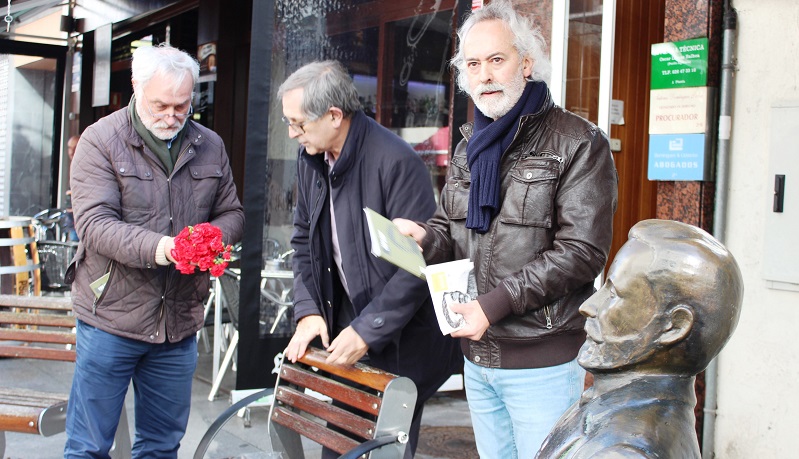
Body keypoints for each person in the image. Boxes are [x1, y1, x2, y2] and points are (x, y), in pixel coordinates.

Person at [393, 1, 618, 456]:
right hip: (477, 356)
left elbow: (581, 252)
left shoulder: (578, 141)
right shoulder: (468, 146)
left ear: (527, 63)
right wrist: (424, 238)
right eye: (473, 64)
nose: (485, 75)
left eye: (497, 59)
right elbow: (450, 230)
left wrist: (493, 306)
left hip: (544, 360)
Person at [64, 43, 244, 458]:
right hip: (110, 318)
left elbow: (232, 213)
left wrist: (210, 239)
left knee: (162, 447)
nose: (172, 116)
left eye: (182, 106)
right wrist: (168, 248)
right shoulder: (100, 140)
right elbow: (94, 225)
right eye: (161, 104)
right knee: (88, 447)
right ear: (135, 86)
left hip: (177, 323)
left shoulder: (209, 144)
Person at [279, 60, 461, 458]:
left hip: (402, 337)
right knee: (340, 445)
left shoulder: (396, 161)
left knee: (382, 450)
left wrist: (368, 330)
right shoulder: (311, 157)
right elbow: (303, 242)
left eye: (299, 123)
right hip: (351, 322)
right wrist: (309, 310)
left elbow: (417, 265)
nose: (293, 134)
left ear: (333, 115)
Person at [536, 219, 744, 459]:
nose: (588, 306)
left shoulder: (623, 453)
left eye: (613, 293)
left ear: (674, 327)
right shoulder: (609, 408)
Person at [63, 135, 80, 242]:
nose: (72, 151)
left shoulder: (86, 164)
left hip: (80, 221)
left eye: (75, 147)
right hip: (71, 220)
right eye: (70, 148)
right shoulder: (71, 165)